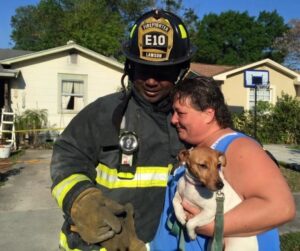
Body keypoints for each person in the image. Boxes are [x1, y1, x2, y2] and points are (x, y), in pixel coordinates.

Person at [50, 9, 195, 251]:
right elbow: (67, 157)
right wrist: (80, 199)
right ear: (129, 67)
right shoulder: (104, 113)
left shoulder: (194, 119)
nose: (151, 81)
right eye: (143, 69)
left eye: (162, 72)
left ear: (181, 71)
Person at [150, 76, 296, 250]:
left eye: (180, 113)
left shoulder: (240, 148)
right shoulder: (199, 150)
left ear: (208, 114)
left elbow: (281, 208)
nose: (173, 120)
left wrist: (210, 226)